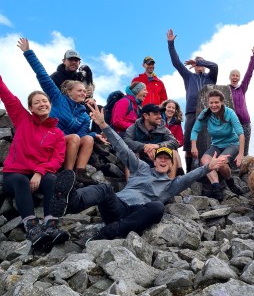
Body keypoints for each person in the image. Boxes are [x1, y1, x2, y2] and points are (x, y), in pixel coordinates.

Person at [49, 102, 230, 241]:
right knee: (104, 188)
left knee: (157, 207)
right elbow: (123, 149)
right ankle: (71, 202)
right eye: (160, 157)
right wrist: (104, 126)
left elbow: (191, 177)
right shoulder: (141, 168)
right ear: (154, 159)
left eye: (167, 158)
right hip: (117, 206)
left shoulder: (171, 184)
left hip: (136, 214)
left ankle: (112, 230)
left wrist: (208, 167)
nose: (164, 159)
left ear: (171, 164)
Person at [17, 38, 104, 186]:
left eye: (85, 92)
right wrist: (28, 52)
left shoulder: (83, 114)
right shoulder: (58, 98)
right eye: (79, 91)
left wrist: (94, 135)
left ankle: (80, 172)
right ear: (69, 92)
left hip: (68, 142)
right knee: (75, 138)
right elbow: (42, 75)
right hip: (49, 140)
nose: (84, 94)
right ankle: (67, 174)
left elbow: (83, 134)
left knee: (87, 139)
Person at [0, 75, 70, 249]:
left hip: (39, 173)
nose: (42, 104)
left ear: (50, 104)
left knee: (53, 180)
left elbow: (57, 159)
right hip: (14, 173)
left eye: (45, 101)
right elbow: (7, 95)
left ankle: (51, 226)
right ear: (30, 108)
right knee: (20, 180)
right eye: (37, 102)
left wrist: (39, 172)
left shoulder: (57, 134)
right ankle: (32, 227)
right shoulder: (22, 118)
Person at [167, 29, 218, 173]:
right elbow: (176, 63)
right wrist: (171, 43)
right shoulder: (189, 76)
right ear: (193, 67)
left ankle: (207, 171)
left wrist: (200, 61)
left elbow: (215, 66)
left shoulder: (211, 78)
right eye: (196, 64)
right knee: (189, 145)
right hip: (191, 113)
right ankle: (189, 172)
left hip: (209, 114)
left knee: (208, 143)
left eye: (201, 63)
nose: (199, 66)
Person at [191, 89, 244, 201]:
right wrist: (193, 146)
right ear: (208, 103)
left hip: (232, 144)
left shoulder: (229, 113)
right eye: (211, 103)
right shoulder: (206, 114)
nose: (214, 105)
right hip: (216, 145)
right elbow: (195, 130)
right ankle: (216, 188)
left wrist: (241, 154)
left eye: (216, 102)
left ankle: (231, 183)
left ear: (222, 102)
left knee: (220, 162)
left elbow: (241, 133)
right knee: (204, 161)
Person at [124, 103, 180, 170]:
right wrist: (145, 147)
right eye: (156, 114)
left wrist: (157, 146)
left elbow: (174, 142)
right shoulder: (134, 128)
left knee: (174, 152)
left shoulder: (164, 129)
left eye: (160, 114)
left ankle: (171, 180)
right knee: (130, 153)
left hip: (157, 160)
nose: (160, 116)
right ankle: (132, 180)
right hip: (139, 161)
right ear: (146, 116)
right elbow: (126, 141)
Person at [229, 47, 254, 155]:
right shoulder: (226, 90)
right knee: (233, 150)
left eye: (237, 76)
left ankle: (243, 171)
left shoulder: (242, 89)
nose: (235, 77)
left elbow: (249, 74)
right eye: (233, 75)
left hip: (245, 123)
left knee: (244, 151)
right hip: (232, 124)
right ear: (230, 77)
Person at [161, 99, 185, 175]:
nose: (171, 109)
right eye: (169, 107)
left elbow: (180, 139)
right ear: (165, 108)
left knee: (174, 151)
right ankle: (179, 172)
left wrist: (176, 143)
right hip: (159, 144)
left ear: (175, 110)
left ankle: (179, 171)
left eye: (173, 108)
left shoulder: (177, 122)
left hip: (172, 146)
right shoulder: (158, 119)